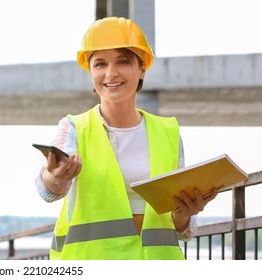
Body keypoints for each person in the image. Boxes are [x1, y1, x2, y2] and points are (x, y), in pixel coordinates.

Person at [35, 17, 218, 260]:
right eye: (100, 64)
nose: (111, 73)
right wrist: (56, 177)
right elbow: (47, 191)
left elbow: (183, 228)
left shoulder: (168, 132)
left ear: (141, 68)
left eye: (122, 61)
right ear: (90, 71)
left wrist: (186, 214)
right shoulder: (74, 127)